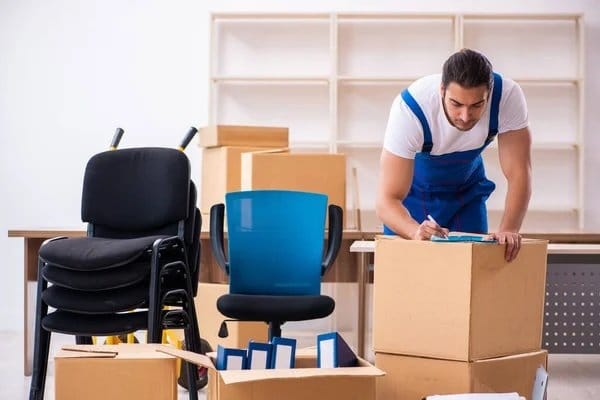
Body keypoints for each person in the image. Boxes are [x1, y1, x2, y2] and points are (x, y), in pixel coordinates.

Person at [376, 49, 531, 262]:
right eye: (456, 104)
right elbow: (386, 201)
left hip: (467, 195)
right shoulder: (410, 109)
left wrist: (509, 229)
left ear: (490, 92)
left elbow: (519, 173)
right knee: (408, 282)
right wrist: (414, 231)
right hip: (413, 199)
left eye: (477, 105)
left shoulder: (508, 97)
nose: (465, 116)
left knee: (474, 276)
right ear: (441, 90)